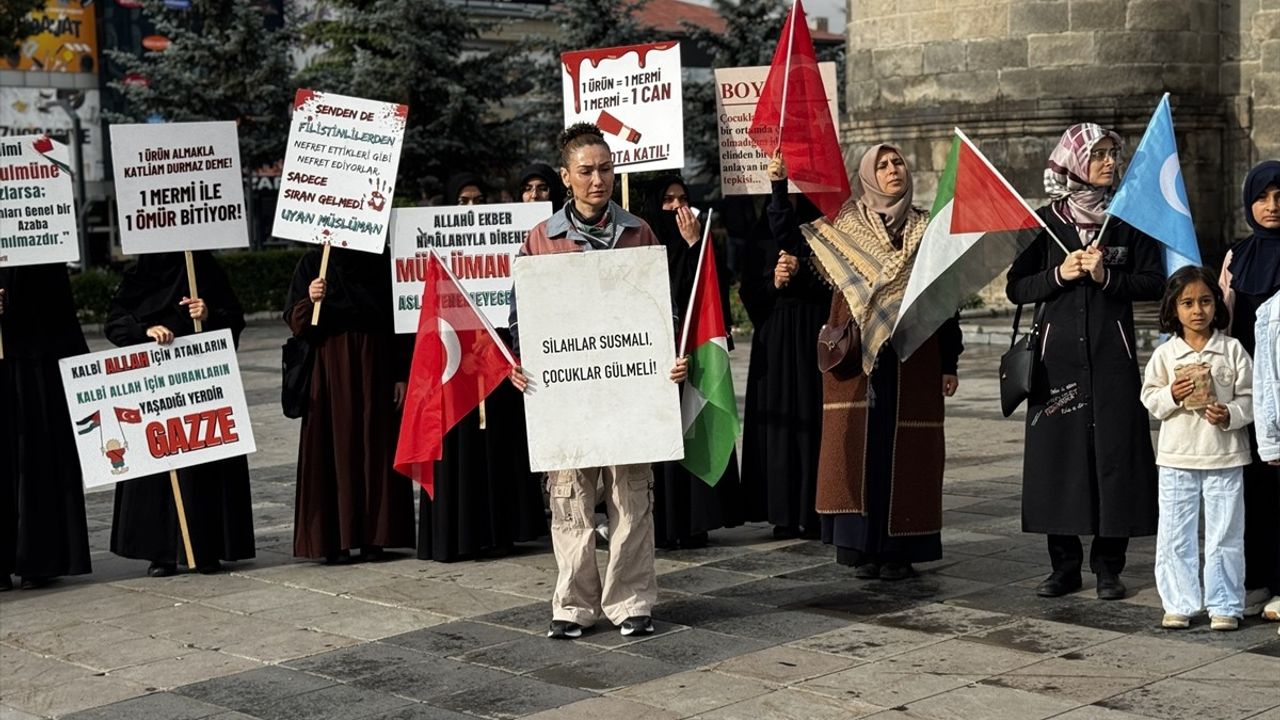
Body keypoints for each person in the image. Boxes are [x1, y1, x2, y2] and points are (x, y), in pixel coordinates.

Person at [508, 123, 687, 640]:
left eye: (605, 169)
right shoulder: (542, 240)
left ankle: (631, 600)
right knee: (570, 497)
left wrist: (672, 358)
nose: (597, 180)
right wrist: (519, 360)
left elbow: (663, 310)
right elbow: (520, 314)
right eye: (585, 171)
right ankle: (574, 605)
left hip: (630, 390)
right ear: (566, 176)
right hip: (569, 391)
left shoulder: (639, 232)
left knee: (632, 496)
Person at [1007, 123, 1163, 600]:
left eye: (1113, 155)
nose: (1110, 164)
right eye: (1098, 156)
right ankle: (1064, 566)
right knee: (1060, 458)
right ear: (1074, 162)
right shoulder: (1044, 222)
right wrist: (1057, 274)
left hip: (1111, 357)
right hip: (1057, 364)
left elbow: (1155, 281)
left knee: (1115, 456)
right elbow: (1017, 287)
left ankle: (1109, 567)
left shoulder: (1128, 221)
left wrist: (1106, 278)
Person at [796, 145, 961, 579]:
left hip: (914, 355)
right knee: (857, 446)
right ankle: (861, 548)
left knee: (906, 449)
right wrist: (778, 185)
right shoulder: (844, 227)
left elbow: (947, 300)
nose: (893, 170)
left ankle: (900, 551)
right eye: (883, 165)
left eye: (898, 162)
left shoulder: (928, 229)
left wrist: (951, 361)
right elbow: (792, 241)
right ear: (868, 175)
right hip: (859, 358)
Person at [417, 171, 547, 562]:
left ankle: (502, 530)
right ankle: (460, 534)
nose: (471, 208)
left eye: (478, 200)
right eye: (463, 202)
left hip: (497, 366)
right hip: (455, 366)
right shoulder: (437, 245)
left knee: (500, 450)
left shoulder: (511, 242)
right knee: (459, 453)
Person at [105, 252, 255, 576]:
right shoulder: (140, 275)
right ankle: (160, 551)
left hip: (200, 382)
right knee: (159, 468)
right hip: (154, 386)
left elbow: (233, 319)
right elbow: (115, 322)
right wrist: (145, 331)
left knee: (204, 463)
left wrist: (209, 314)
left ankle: (206, 548)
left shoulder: (203, 268)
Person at [642, 175, 752, 548]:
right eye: (668, 200)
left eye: (683, 198)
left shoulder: (699, 244)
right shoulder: (644, 245)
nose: (677, 207)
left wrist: (694, 246)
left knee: (693, 432)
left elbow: (709, 292)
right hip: (654, 358)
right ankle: (661, 522)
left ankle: (695, 521)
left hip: (694, 356)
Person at [1141, 266, 1253, 631]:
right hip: (1177, 457)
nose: (1197, 310)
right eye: (1187, 303)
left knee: (1225, 533)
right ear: (1173, 308)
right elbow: (1149, 397)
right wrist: (1171, 395)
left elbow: (1253, 397)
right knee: (1176, 532)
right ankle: (1179, 602)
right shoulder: (1166, 354)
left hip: (1225, 454)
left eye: (1205, 301)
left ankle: (1225, 604)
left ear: (1216, 305)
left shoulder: (1232, 350)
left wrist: (1230, 414)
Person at [286, 244, 414, 563]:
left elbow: (397, 317)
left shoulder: (378, 260)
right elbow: (296, 321)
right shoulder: (314, 261)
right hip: (330, 369)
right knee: (334, 445)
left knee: (374, 445)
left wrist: (401, 373)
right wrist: (311, 299)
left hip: (376, 366)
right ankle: (336, 540)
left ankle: (375, 536)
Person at [738, 156, 830, 539]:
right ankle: (782, 511)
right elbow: (749, 292)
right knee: (778, 422)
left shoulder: (820, 232)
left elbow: (831, 286)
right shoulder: (759, 236)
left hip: (810, 336)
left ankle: (814, 508)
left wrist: (803, 270)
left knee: (812, 419)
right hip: (774, 341)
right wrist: (774, 283)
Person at [0, 265, 92, 589]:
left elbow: (58, 312)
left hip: (39, 367)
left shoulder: (42, 260)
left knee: (38, 462)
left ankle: (39, 559)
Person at [1219, 159, 1280, 622]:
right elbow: (1224, 320)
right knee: (1251, 485)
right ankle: (1257, 576)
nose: (1271, 206)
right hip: (1246, 390)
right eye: (1261, 197)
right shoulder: (1236, 257)